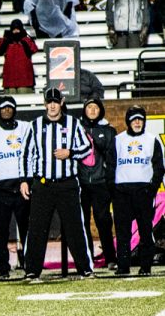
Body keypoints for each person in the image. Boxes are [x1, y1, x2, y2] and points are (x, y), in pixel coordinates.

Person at [19, 87, 94, 280]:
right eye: (49, 102)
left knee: (75, 227)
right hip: (43, 184)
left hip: (67, 184)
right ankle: (32, 269)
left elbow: (86, 148)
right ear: (45, 103)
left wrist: (70, 152)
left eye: (55, 101)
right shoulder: (34, 126)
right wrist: (25, 180)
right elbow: (26, 155)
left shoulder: (73, 123)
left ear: (61, 102)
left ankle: (85, 268)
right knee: (36, 228)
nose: (52, 105)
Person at [106, 106, 165, 275]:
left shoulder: (152, 140)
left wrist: (152, 189)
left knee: (146, 230)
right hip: (122, 191)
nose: (137, 122)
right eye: (134, 119)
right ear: (128, 121)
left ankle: (145, 266)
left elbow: (159, 167)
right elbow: (110, 166)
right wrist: (113, 189)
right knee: (122, 231)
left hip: (143, 191)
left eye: (140, 119)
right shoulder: (118, 140)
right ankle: (123, 266)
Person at [0, 96, 32, 278]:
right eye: (3, 108)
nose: (7, 110)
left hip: (22, 189)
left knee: (27, 230)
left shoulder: (26, 128)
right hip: (0, 191)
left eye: (10, 107)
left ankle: (29, 264)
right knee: (0, 233)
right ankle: (3, 268)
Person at [78, 98, 117, 270]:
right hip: (82, 183)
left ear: (101, 110)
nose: (92, 110)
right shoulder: (77, 128)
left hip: (101, 182)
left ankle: (111, 258)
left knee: (103, 221)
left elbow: (112, 155)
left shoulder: (109, 131)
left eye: (95, 107)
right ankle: (87, 259)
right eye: (89, 107)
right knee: (83, 222)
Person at [0, 19, 38, 94]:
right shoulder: (7, 40)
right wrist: (5, 39)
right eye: (14, 29)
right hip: (10, 80)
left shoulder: (26, 39)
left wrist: (24, 38)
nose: (16, 31)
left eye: (18, 29)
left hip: (25, 81)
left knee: (24, 102)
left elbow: (34, 49)